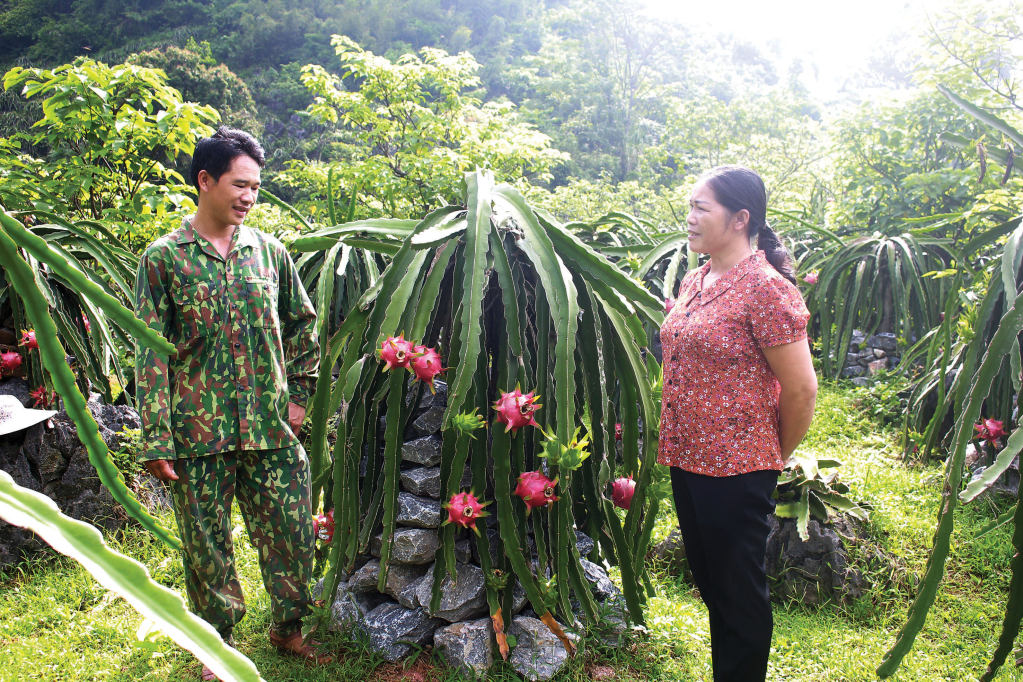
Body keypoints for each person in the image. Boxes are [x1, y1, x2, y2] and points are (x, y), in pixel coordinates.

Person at [134, 127, 329, 680]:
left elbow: (302, 325)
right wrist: (155, 436)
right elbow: (149, 354)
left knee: (292, 530)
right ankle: (215, 644)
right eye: (240, 185)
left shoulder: (270, 253)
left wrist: (300, 397)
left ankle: (289, 627)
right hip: (198, 431)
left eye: (257, 188)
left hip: (270, 426)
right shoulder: (163, 260)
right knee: (206, 546)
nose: (249, 196)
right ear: (205, 181)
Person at [659, 165, 818, 682]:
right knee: (713, 586)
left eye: (701, 208)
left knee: (738, 595)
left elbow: (800, 389)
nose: (690, 218)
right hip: (688, 458)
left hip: (738, 468)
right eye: (691, 207)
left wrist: (769, 456)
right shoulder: (696, 278)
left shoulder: (767, 290)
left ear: (739, 218)